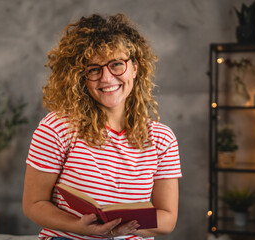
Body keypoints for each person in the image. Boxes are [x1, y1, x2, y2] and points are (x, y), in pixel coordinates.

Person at [22, 13, 182, 240]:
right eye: (94, 69)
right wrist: (79, 226)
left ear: (135, 67)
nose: (106, 78)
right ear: (80, 77)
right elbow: (33, 203)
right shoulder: (57, 128)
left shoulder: (161, 139)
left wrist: (120, 229)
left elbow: (167, 219)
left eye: (116, 64)